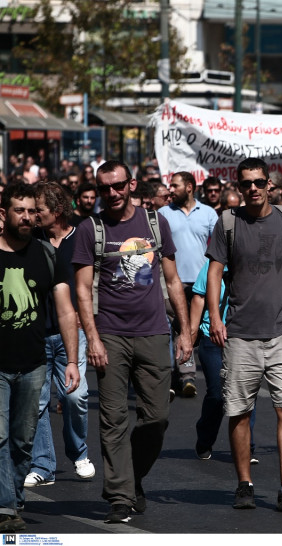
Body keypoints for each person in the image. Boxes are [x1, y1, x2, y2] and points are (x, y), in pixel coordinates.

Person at [72, 160, 192, 524]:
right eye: (104, 188)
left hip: (154, 331)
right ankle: (120, 496)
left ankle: (133, 474)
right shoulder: (89, 228)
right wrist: (91, 338)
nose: (111, 193)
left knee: (157, 418)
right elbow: (81, 289)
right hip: (110, 334)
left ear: (132, 185)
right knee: (112, 420)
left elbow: (172, 281)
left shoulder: (156, 222)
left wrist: (184, 331)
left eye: (118, 186)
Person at [205, 157, 282, 512]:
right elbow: (214, 273)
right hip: (240, 333)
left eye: (258, 182)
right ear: (238, 188)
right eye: (246, 183)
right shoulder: (227, 222)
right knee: (239, 412)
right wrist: (214, 318)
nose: (252, 188)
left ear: (269, 184)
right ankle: (244, 483)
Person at [0, 183, 79, 533]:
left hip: (34, 364)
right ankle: (5, 505)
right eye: (20, 210)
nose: (27, 217)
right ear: (4, 214)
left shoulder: (47, 255)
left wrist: (73, 361)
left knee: (22, 439)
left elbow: (65, 312)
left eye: (32, 210)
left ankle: (12, 500)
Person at [25, 182, 95, 489]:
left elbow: (91, 283)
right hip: (37, 332)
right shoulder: (30, 238)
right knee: (37, 403)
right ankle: (43, 465)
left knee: (75, 396)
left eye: (39, 209)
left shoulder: (81, 235)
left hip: (71, 331)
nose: (34, 215)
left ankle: (78, 452)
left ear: (57, 210)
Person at [189, 258, 258, 462]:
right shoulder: (212, 267)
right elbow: (198, 298)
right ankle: (204, 438)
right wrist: (191, 335)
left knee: (247, 392)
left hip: (245, 339)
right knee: (218, 394)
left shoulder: (255, 264)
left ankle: (247, 446)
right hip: (213, 338)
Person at [158, 171, 219, 397]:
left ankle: (180, 375)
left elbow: (220, 245)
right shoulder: (163, 214)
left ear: (190, 187)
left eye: (174, 186)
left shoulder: (209, 213)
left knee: (191, 329)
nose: (170, 190)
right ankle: (185, 375)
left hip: (200, 284)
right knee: (178, 327)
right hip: (171, 283)